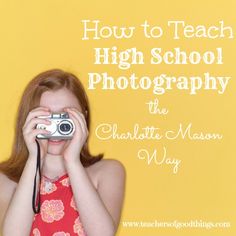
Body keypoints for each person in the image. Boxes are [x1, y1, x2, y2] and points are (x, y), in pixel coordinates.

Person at [0, 69, 126, 236]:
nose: (56, 127)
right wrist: (34, 159)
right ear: (27, 121)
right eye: (46, 117)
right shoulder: (5, 179)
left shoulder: (107, 171)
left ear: (83, 116)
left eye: (65, 116)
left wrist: (72, 161)